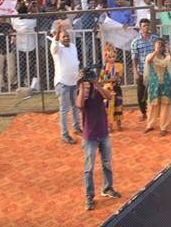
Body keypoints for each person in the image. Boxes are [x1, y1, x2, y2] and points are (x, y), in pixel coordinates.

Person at [76, 67, 121, 211]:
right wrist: (83, 86)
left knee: (106, 163)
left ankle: (107, 188)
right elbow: (79, 105)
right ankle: (89, 196)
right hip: (89, 135)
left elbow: (108, 96)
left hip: (103, 132)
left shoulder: (98, 89)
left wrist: (97, 85)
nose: (90, 80)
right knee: (88, 168)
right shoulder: (82, 92)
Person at [49, 21, 81, 144]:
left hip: (73, 82)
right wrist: (58, 31)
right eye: (64, 36)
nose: (66, 38)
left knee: (75, 106)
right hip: (62, 83)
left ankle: (76, 127)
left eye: (67, 36)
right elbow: (55, 42)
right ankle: (64, 134)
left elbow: (75, 61)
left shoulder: (73, 46)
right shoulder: (56, 48)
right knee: (64, 109)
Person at [129, 18, 160, 121]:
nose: (146, 27)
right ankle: (143, 112)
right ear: (140, 27)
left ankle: (155, 112)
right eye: (144, 26)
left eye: (147, 25)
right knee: (141, 93)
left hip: (154, 70)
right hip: (142, 70)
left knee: (154, 92)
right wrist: (136, 72)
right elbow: (134, 58)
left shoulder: (155, 39)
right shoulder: (135, 41)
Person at [144, 37, 171, 136]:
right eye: (158, 44)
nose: (160, 46)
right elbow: (149, 60)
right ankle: (150, 125)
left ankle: (164, 127)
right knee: (152, 105)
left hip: (166, 83)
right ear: (154, 46)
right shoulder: (150, 55)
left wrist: (169, 50)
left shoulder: (166, 56)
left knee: (166, 105)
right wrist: (156, 51)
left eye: (161, 44)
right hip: (154, 83)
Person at [99, 43, 124, 131]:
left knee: (118, 105)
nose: (112, 58)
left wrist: (108, 80)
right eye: (110, 57)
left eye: (113, 56)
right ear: (106, 57)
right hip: (107, 90)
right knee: (107, 107)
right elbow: (101, 79)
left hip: (116, 89)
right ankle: (109, 125)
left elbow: (117, 78)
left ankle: (119, 124)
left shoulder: (119, 65)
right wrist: (108, 80)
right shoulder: (104, 66)